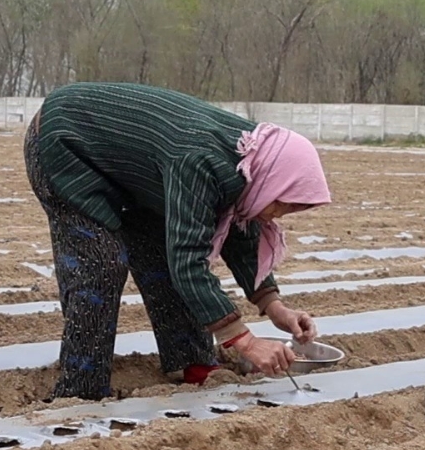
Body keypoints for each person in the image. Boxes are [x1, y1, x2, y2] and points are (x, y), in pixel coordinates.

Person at [24, 82, 332, 400]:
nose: (277, 215)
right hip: (64, 140)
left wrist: (274, 306)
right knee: (102, 264)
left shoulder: (251, 164)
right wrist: (245, 341)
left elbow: (241, 239)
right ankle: (80, 389)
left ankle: (191, 363)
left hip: (133, 171)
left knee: (162, 250)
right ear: (273, 180)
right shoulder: (202, 160)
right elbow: (189, 261)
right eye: (282, 204)